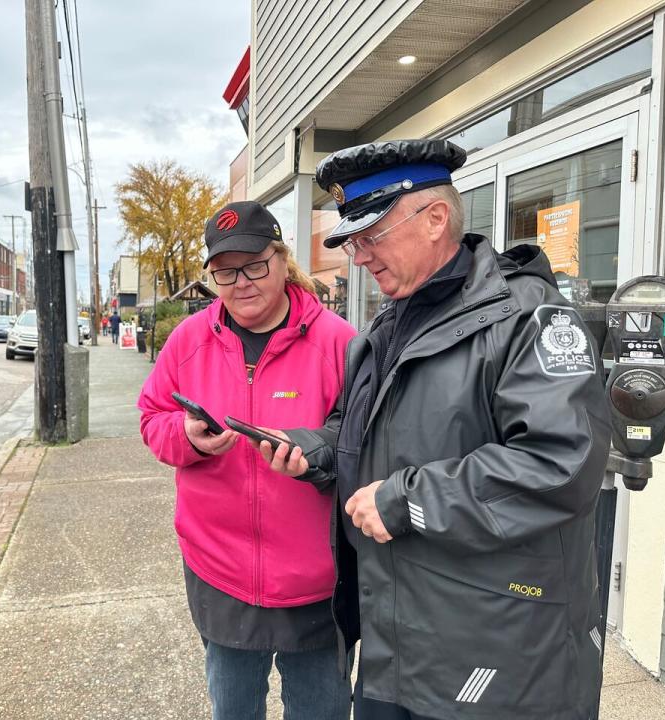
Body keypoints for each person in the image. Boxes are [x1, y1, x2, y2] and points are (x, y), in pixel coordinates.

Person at [256, 140, 611, 720]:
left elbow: (561, 462)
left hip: (497, 655)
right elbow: (361, 427)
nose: (360, 256)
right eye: (353, 241)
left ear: (436, 218)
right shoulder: (388, 324)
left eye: (371, 236)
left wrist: (405, 500)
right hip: (397, 643)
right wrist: (316, 450)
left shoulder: (526, 315)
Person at [138, 201, 357, 720]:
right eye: (225, 271)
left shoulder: (338, 342)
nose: (241, 283)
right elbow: (152, 418)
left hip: (317, 582)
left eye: (255, 265)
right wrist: (186, 436)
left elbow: (365, 437)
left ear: (282, 260)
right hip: (221, 574)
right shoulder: (188, 341)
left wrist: (313, 453)